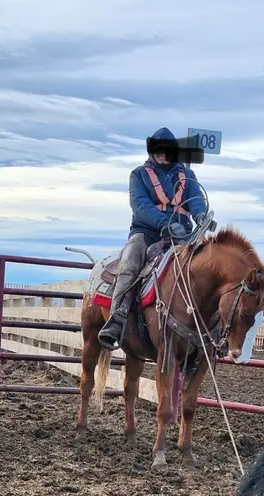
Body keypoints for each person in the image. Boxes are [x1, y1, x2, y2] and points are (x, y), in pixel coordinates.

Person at [98, 127, 209, 351]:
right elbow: (140, 206)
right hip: (146, 233)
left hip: (183, 235)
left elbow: (196, 197)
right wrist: (164, 224)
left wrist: (200, 215)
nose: (162, 155)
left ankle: (209, 327)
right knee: (130, 263)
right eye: (158, 150)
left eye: (166, 151)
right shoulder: (138, 175)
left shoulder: (187, 176)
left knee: (203, 268)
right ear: (152, 151)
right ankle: (117, 320)